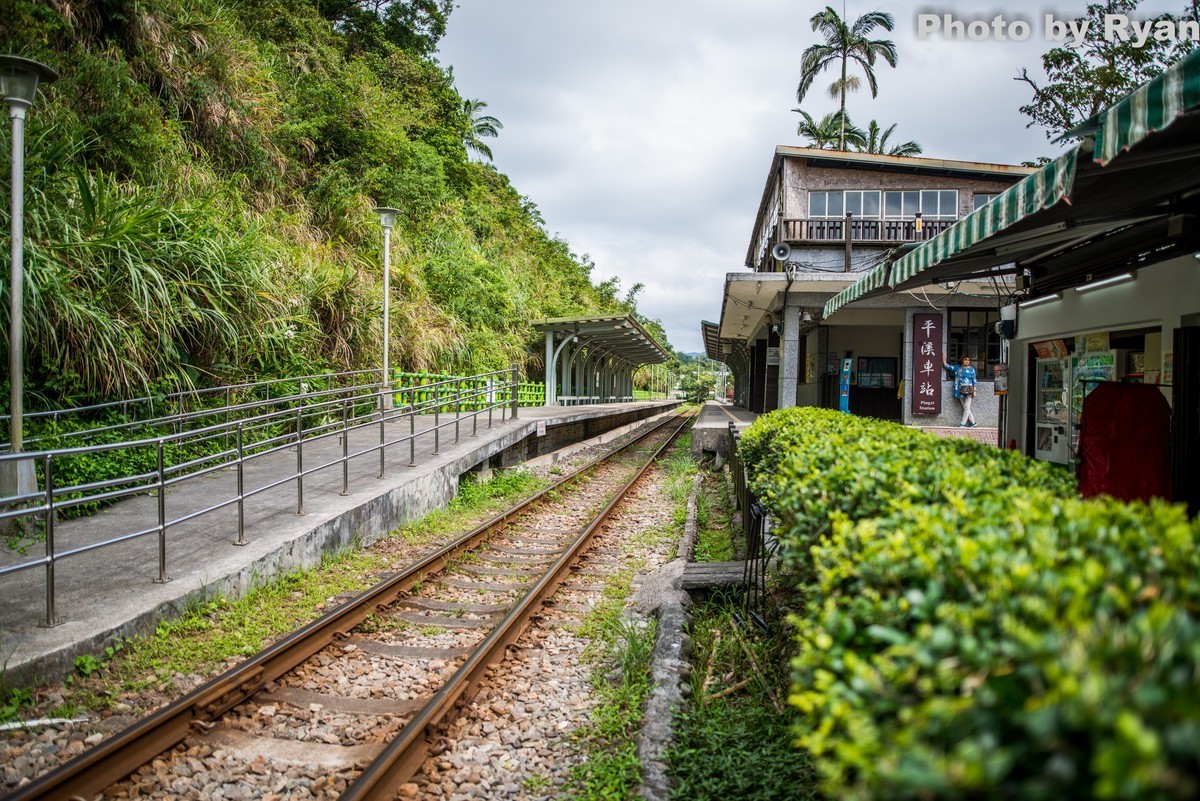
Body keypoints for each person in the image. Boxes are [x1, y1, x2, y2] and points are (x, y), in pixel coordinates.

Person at [943, 353, 978, 428]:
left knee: (966, 406)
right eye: (965, 360)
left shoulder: (972, 369)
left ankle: (962, 423)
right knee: (966, 407)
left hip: (969, 390)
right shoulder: (957, 368)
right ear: (962, 360)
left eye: (969, 360)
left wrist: (974, 391)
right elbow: (947, 366)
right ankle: (973, 422)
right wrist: (943, 358)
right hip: (959, 389)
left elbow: (974, 380)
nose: (967, 361)